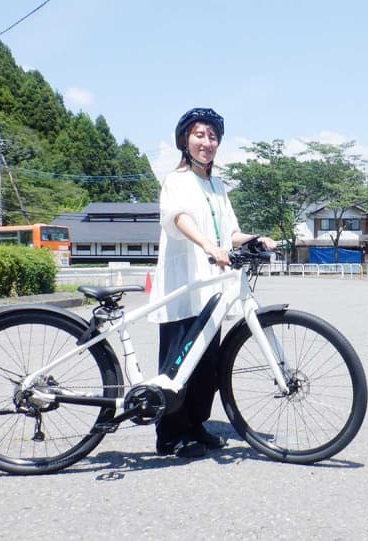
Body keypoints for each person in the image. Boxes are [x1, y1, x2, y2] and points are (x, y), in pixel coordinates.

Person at [148, 107, 276, 458]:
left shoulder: (218, 185)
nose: (207, 142)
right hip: (183, 284)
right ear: (185, 141)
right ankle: (170, 436)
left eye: (212, 136)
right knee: (178, 365)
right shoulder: (176, 180)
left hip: (212, 289)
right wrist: (207, 245)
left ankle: (196, 425)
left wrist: (256, 239)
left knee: (207, 365)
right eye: (199, 135)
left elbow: (230, 232)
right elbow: (179, 218)